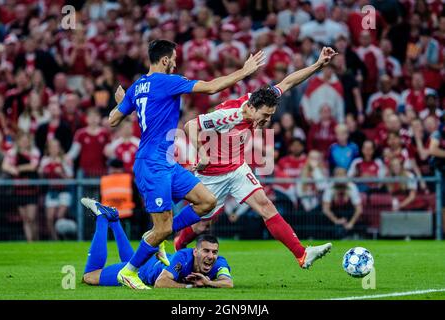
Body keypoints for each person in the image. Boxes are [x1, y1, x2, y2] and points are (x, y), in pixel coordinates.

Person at [105, 39, 265, 289]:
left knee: (207, 201)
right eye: (175, 58)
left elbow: (113, 120)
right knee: (164, 227)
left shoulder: (137, 87)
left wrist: (124, 101)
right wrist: (245, 71)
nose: (177, 63)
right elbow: (212, 88)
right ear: (166, 60)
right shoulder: (169, 81)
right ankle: (129, 271)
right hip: (152, 164)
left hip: (167, 163)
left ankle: (158, 235)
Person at [175, 47, 338, 269]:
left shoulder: (262, 99)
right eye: (264, 116)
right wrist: (202, 152)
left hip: (237, 169)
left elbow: (288, 82)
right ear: (251, 109)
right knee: (201, 224)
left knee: (265, 206)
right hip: (212, 174)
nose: (267, 121)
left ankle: (302, 254)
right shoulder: (228, 115)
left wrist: (318, 64)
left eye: (270, 116)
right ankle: (175, 245)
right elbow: (190, 125)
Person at [81, 202, 233, 289]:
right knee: (89, 277)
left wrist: (209, 283)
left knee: (129, 259)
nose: (210, 256)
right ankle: (102, 217)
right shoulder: (183, 257)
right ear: (195, 251)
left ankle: (113, 219)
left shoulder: (219, 262)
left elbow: (228, 283)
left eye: (214, 252)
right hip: (144, 272)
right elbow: (160, 283)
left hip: (150, 260)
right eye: (206, 251)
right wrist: (191, 286)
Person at [39, 139, 73, 240]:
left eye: (56, 146)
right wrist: (41, 172)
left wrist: (61, 173)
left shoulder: (65, 159)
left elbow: (71, 178)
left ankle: (63, 237)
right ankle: (55, 239)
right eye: (52, 147)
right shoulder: (45, 160)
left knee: (59, 217)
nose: (54, 149)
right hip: (51, 191)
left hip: (64, 191)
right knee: (49, 218)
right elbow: (41, 177)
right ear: (48, 149)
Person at [322, 167, 363, 239]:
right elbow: (326, 209)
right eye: (338, 174)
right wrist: (336, 220)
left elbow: (359, 209)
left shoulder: (352, 187)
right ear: (334, 176)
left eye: (342, 174)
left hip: (348, 216)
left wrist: (351, 223)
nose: (340, 177)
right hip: (333, 217)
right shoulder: (329, 187)